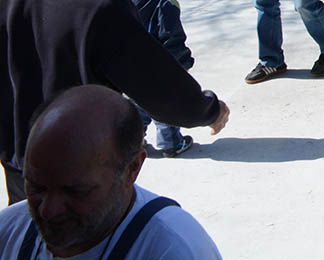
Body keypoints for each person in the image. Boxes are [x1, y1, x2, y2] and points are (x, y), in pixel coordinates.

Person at [0, 0, 229, 204]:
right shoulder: (103, 10)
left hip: (19, 162)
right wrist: (209, 110)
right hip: (79, 175)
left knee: (28, 245)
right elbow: (156, 85)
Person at [0, 86, 222, 259]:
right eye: (36, 186)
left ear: (132, 168)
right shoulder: (8, 230)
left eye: (75, 191)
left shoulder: (175, 250)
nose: (48, 210)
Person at [124, 0, 195, 158]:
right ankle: (171, 143)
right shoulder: (165, 3)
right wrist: (182, 63)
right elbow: (172, 37)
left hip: (132, 67)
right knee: (164, 104)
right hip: (159, 66)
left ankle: (132, 142)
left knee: (139, 104)